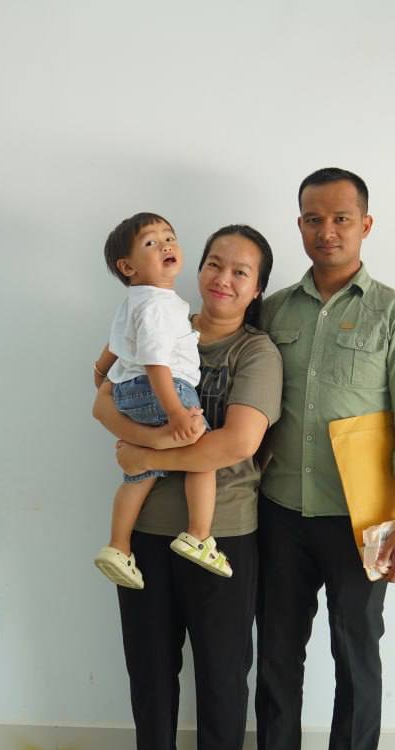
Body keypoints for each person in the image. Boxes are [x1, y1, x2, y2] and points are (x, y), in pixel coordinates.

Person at [237, 168, 395, 750]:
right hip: (278, 512)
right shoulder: (272, 311)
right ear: (299, 225)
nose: (327, 231)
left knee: (356, 652)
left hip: (363, 521)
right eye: (314, 219)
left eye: (341, 218)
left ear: (365, 225)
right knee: (278, 651)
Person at [94, 225, 283, 750]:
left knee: (223, 668)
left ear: (257, 289)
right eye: (215, 264)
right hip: (146, 531)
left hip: (223, 533)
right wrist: (147, 440)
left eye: (241, 272)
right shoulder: (160, 319)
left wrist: (144, 452)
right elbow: (102, 402)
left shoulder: (256, 353)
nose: (223, 279)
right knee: (149, 666)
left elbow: (237, 443)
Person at [92, 213, 231, 589]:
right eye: (151, 243)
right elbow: (156, 362)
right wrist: (176, 412)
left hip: (127, 391)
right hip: (165, 388)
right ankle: (198, 535)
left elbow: (115, 344)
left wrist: (101, 372)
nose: (166, 245)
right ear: (128, 267)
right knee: (202, 455)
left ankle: (118, 546)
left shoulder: (135, 302)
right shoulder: (160, 305)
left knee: (139, 475)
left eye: (169, 237)